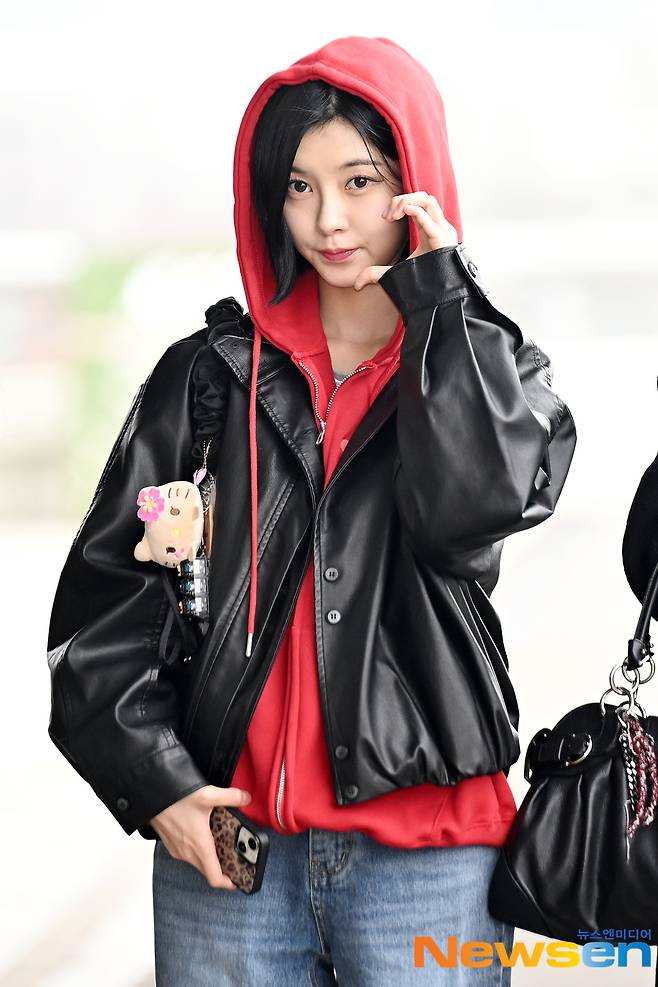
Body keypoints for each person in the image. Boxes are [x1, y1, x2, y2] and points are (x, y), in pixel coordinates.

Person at [47, 35, 577, 985]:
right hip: (229, 867)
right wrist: (158, 785)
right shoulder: (209, 378)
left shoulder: (494, 373)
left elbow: (471, 519)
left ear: (417, 182)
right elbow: (100, 615)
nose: (328, 219)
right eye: (298, 187)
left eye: (360, 181)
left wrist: (440, 306)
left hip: (430, 865)